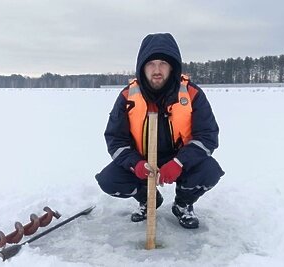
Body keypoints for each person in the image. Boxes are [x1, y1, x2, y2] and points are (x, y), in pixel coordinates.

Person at [95, 33, 225, 229]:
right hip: (143, 161)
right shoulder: (127, 96)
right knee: (109, 180)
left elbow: (207, 136)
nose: (157, 70)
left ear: (172, 66)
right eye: (151, 64)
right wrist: (136, 164)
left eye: (163, 63)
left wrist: (179, 162)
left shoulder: (192, 94)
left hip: (180, 158)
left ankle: (182, 204)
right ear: (142, 67)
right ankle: (149, 200)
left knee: (209, 170)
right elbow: (115, 140)